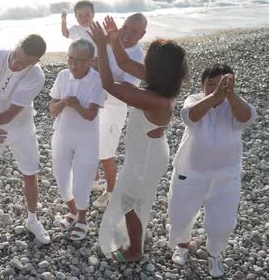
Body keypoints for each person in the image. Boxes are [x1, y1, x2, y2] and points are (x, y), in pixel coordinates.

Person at [90, 16, 188, 263]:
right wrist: (113, 40)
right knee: (138, 197)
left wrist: (102, 46)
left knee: (130, 200)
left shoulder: (153, 98)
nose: (143, 60)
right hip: (148, 151)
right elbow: (123, 62)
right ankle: (136, 238)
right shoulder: (162, 82)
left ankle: (135, 250)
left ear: (155, 66)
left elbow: (108, 84)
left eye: (148, 58)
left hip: (145, 157)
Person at [168, 64, 256, 278]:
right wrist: (214, 97)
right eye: (210, 84)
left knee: (223, 224)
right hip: (190, 174)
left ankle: (214, 254)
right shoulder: (194, 100)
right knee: (179, 215)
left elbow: (247, 118)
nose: (216, 89)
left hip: (226, 177)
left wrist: (230, 95)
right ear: (202, 85)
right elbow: (189, 116)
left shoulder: (235, 104)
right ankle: (182, 244)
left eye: (222, 85)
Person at [0, 34, 51, 250]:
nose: (16, 64)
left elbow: (9, 115)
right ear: (17, 46)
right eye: (16, 56)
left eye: (23, 63)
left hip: (21, 128)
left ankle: (32, 219)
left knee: (30, 174)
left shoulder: (36, 76)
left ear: (36, 62)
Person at [49, 39, 105, 240]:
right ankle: (73, 211)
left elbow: (91, 115)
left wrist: (77, 106)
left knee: (83, 179)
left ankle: (82, 219)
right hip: (62, 134)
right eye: (71, 59)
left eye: (80, 61)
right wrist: (64, 102)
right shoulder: (63, 76)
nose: (74, 65)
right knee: (61, 177)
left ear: (90, 60)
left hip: (87, 138)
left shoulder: (97, 80)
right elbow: (52, 109)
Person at [92, 13, 147, 209]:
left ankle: (112, 191)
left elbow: (126, 89)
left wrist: (99, 70)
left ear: (142, 35)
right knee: (90, 145)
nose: (127, 34)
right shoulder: (110, 41)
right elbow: (95, 56)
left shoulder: (138, 56)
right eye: (125, 28)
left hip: (114, 108)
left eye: (134, 32)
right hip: (97, 102)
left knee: (106, 154)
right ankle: (96, 182)